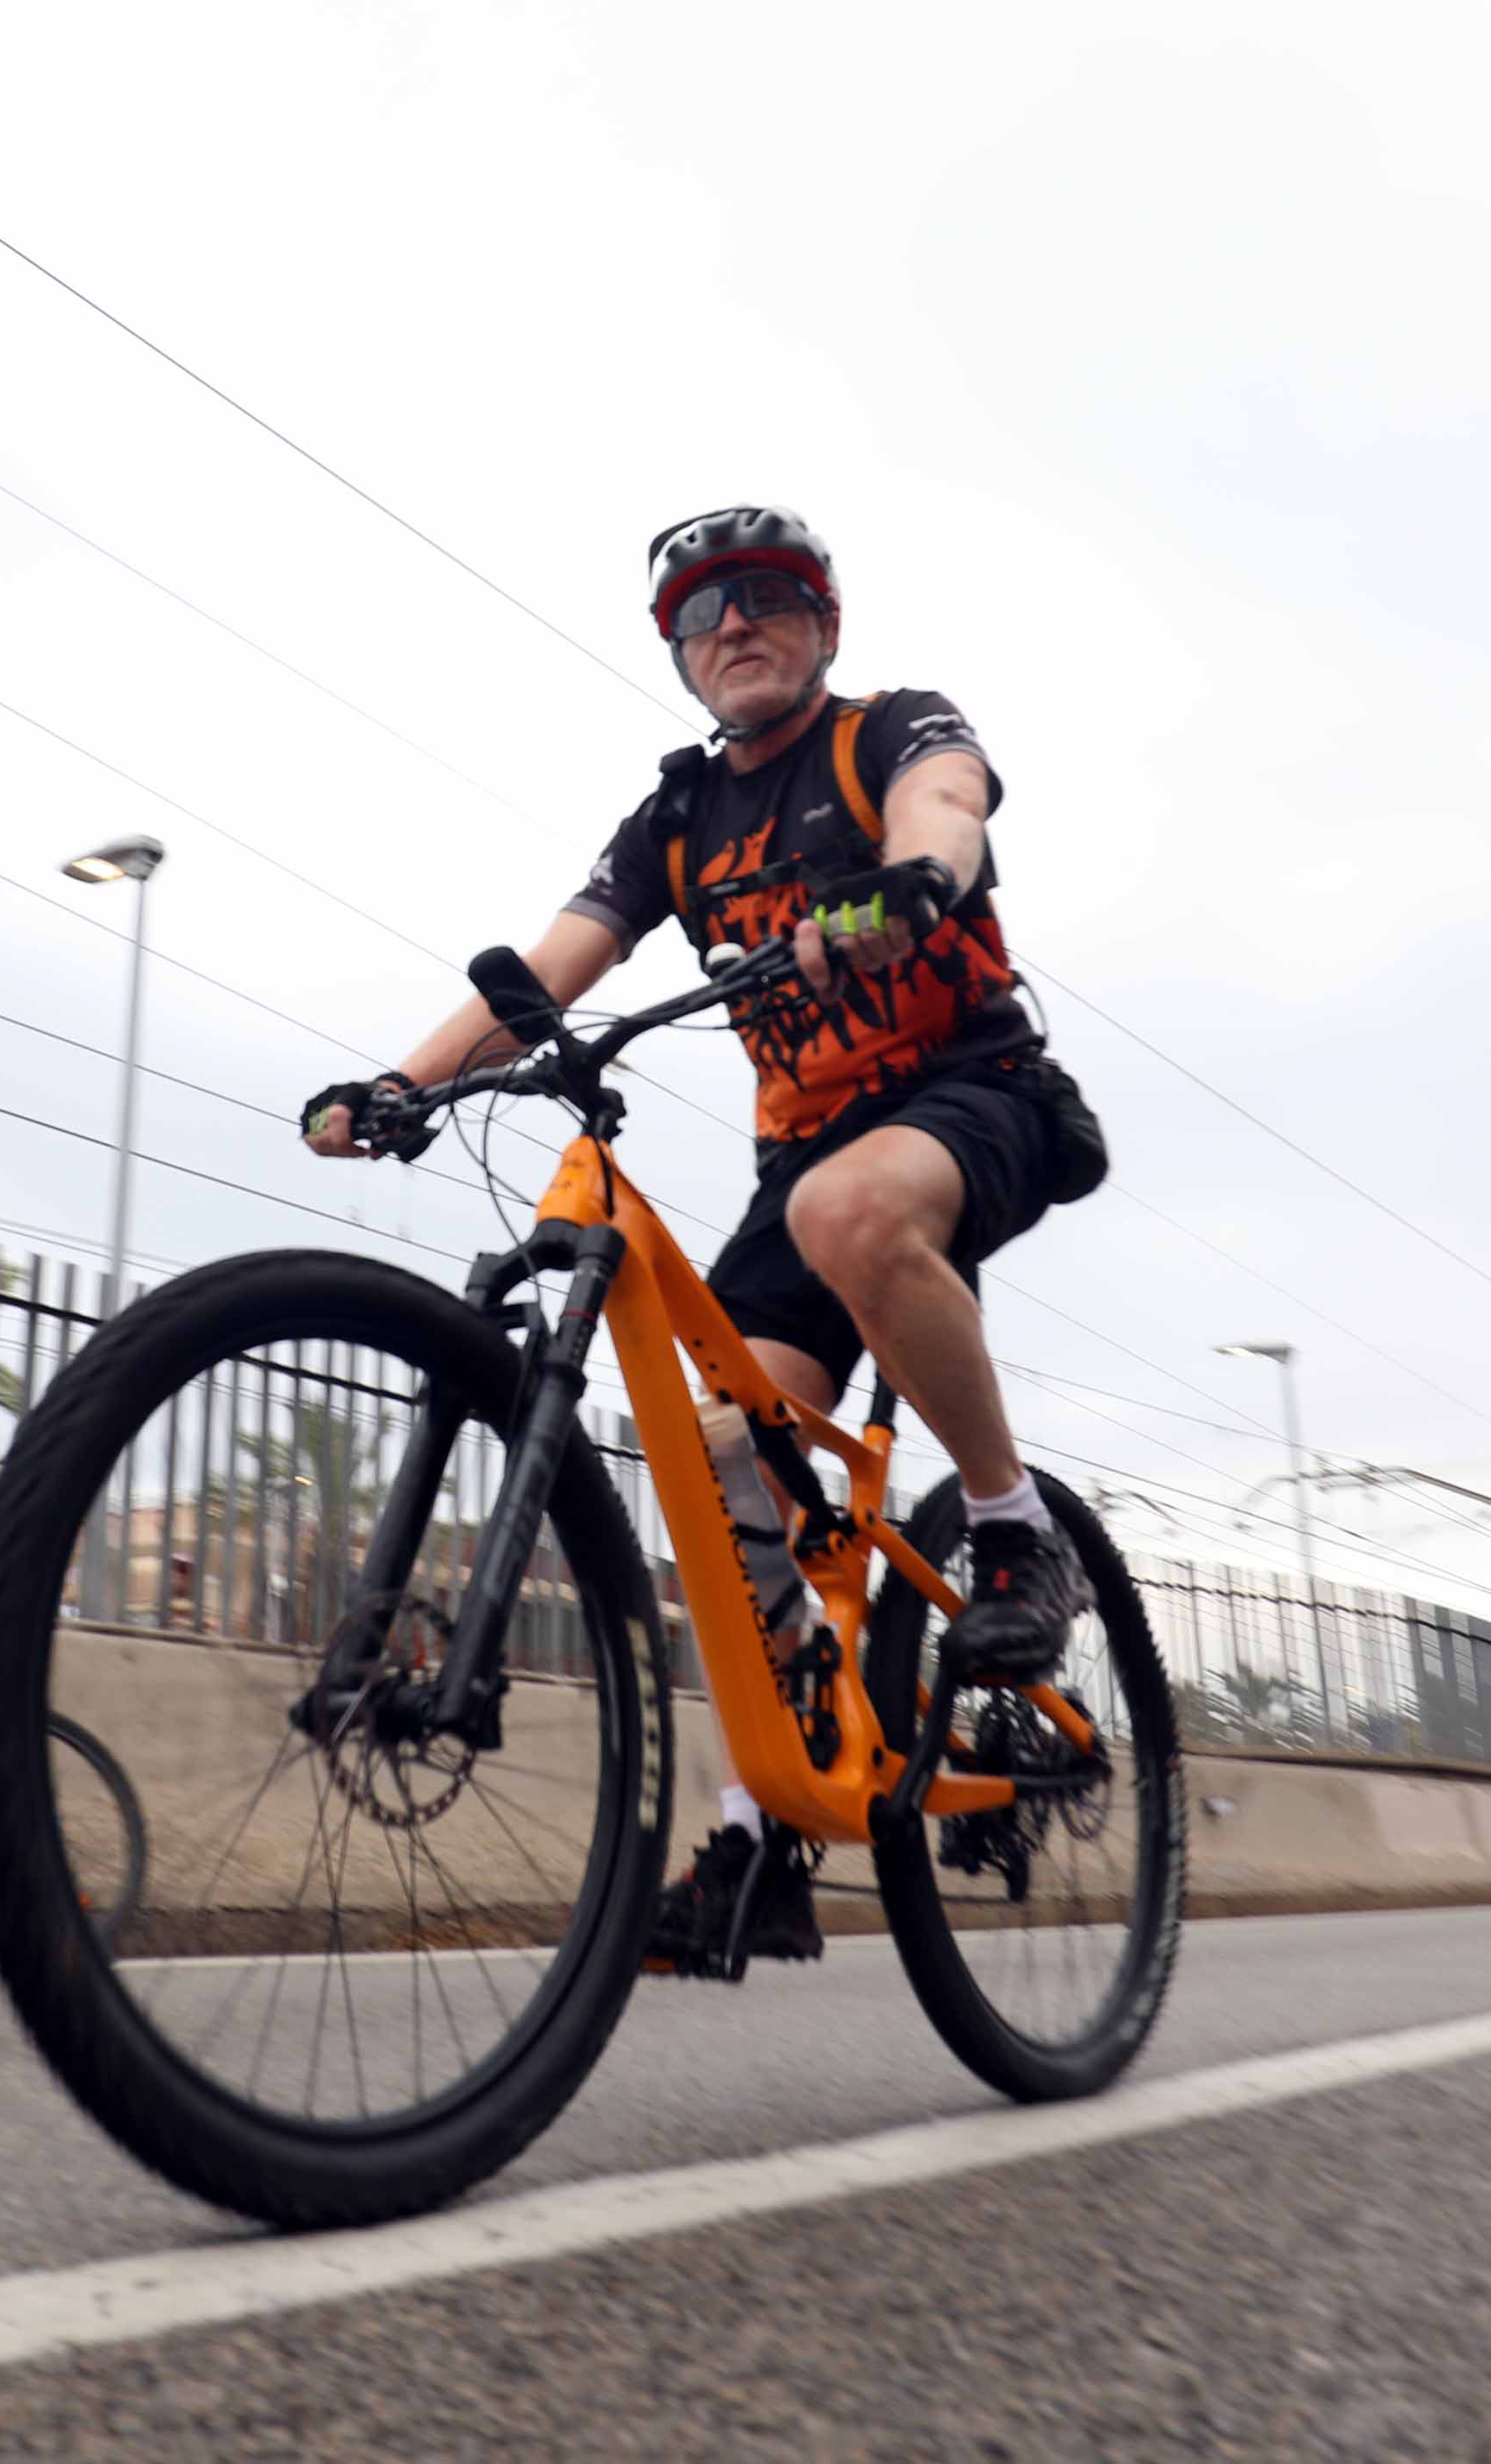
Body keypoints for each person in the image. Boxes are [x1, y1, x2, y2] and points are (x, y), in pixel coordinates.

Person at [302, 505, 1109, 1977]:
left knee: (845, 1208)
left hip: (974, 1096)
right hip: (805, 1150)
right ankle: (770, 1824)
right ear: (676, 655)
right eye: (699, 614)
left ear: (825, 627)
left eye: (770, 598)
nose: (733, 623)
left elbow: (948, 801)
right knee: (730, 1445)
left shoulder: (884, 732)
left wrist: (916, 874)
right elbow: (548, 971)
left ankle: (1012, 1536)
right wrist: (406, 1082)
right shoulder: (679, 818)